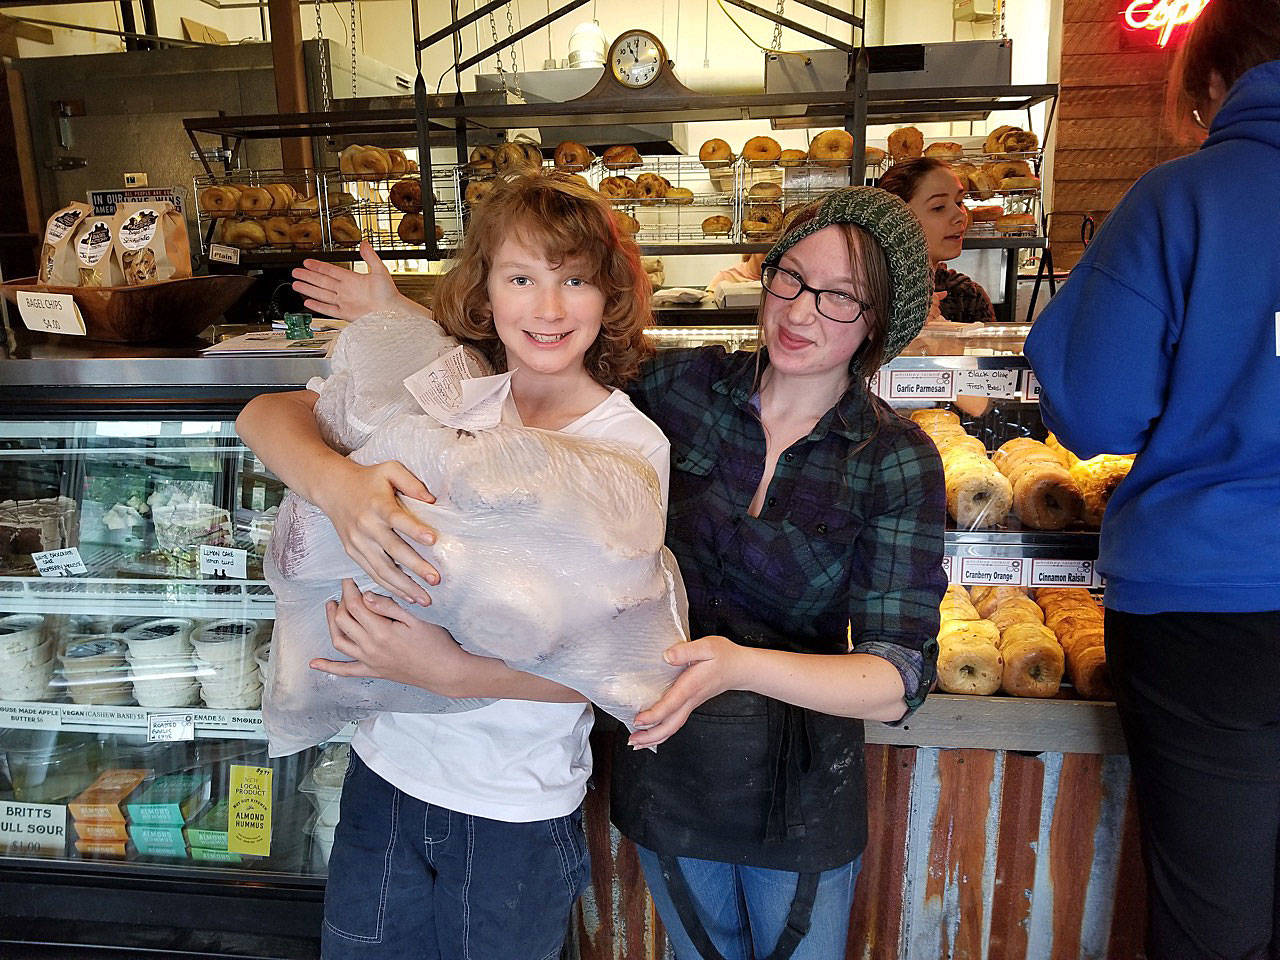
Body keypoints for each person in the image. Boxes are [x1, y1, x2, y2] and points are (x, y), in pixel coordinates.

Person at [281, 185, 946, 959]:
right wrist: (403, 322)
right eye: (792, 278)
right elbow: (537, 353)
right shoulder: (683, 388)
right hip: (663, 761)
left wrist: (735, 666)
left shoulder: (896, 458)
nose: (801, 313)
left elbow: (899, 675)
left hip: (795, 776)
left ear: (878, 320)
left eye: (842, 298)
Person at [236, 172, 669, 960]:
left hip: (514, 807)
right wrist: (339, 487)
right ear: (486, 290)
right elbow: (263, 415)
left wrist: (452, 673)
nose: (547, 307)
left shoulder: (629, 450)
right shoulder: (450, 391)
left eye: (574, 280)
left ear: (609, 295)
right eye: (521, 278)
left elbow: (623, 659)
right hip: (383, 775)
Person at [1023, 3, 1280, 956]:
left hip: (1211, 614)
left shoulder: (1189, 198)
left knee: (1214, 918)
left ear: (1212, 85)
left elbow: (1093, 412)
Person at [879, 157, 996, 325]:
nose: (960, 216)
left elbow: (985, 350)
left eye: (959, 202)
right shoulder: (865, 297)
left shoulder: (967, 296)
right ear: (895, 218)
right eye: (939, 207)